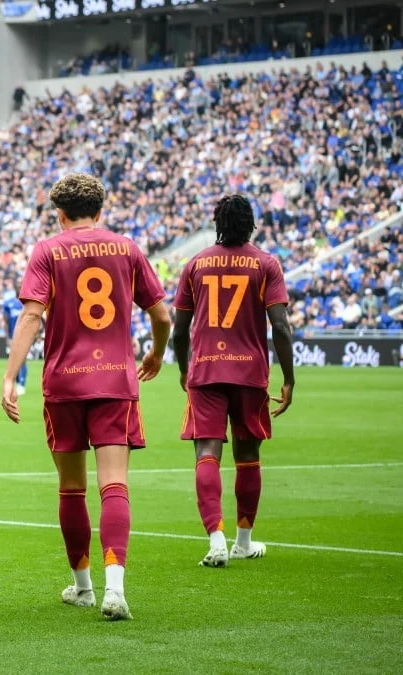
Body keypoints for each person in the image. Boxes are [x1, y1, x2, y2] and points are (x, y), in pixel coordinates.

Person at [0, 173, 171, 621]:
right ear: (101, 210)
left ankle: (83, 587)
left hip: (64, 383)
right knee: (114, 484)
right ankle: (116, 589)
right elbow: (162, 314)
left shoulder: (48, 250)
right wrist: (155, 351)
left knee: (72, 488)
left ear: (59, 214)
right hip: (115, 381)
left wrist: (10, 377)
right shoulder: (127, 248)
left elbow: (32, 317)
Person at [171, 194, 295, 568]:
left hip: (206, 370)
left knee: (207, 453)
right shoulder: (266, 264)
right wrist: (289, 379)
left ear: (217, 222)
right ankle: (243, 542)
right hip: (250, 372)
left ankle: (216, 540)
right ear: (251, 224)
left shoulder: (196, 264)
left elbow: (179, 331)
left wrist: (182, 369)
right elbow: (282, 329)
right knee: (248, 457)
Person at [2, 295, 27, 395]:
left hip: (24, 336)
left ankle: (21, 384)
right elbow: (6, 322)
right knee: (12, 361)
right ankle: (15, 382)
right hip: (12, 336)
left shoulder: (28, 303)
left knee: (23, 360)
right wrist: (7, 337)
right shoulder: (9, 303)